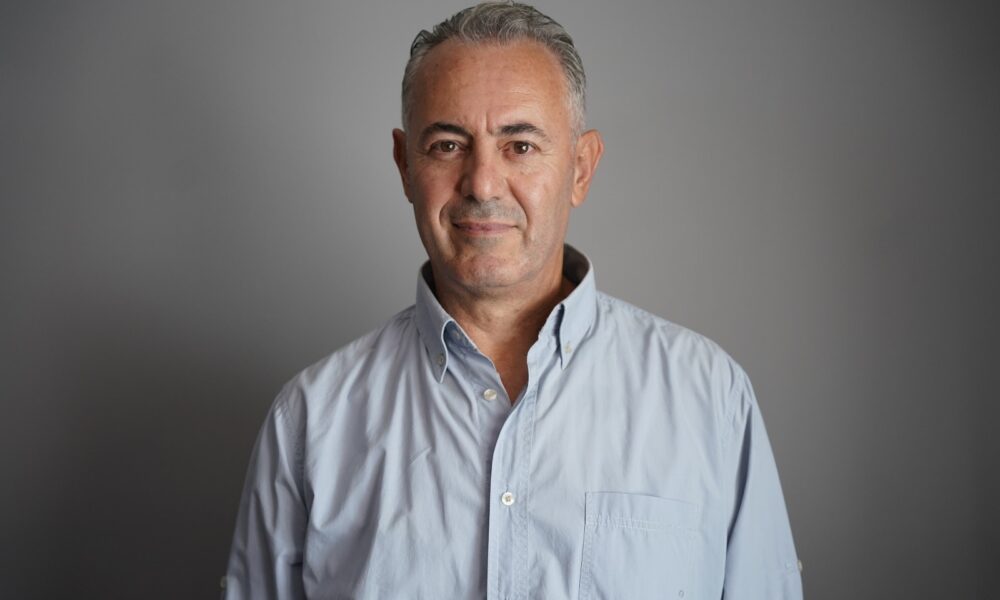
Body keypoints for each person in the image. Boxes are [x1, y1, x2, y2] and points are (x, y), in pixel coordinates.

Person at [222, 2, 803, 598]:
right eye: (447, 145)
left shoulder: (710, 400)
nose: (481, 183)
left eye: (520, 146)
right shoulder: (310, 423)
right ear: (404, 165)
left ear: (581, 168)